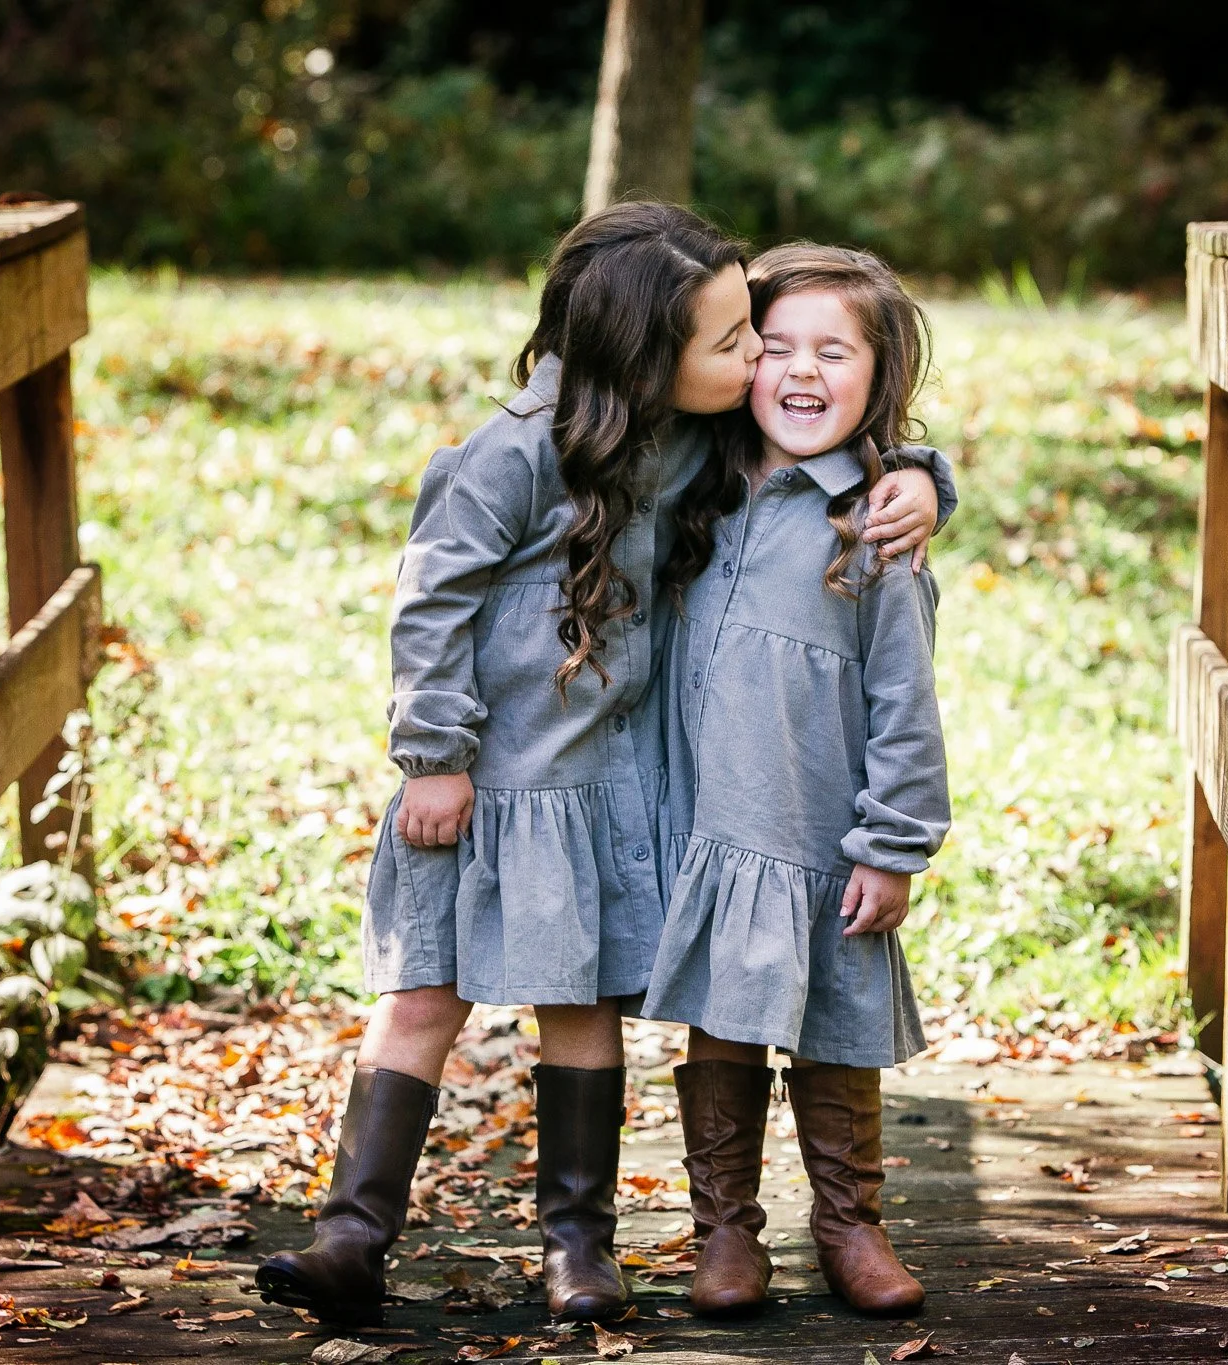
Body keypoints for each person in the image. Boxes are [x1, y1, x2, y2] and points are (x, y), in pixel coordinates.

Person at [256, 205, 949, 1326]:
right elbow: (427, 601)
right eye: (739, 342)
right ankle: (350, 1236)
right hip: (474, 785)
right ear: (647, 354)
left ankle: (577, 1248)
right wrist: (432, 756)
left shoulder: (697, 444)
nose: (757, 362)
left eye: (753, 337)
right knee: (422, 993)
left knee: (579, 1001)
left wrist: (920, 474)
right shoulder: (514, 456)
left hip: (591, 796)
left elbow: (826, 451)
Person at [644, 244, 952, 1320]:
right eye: (773, 347)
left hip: (824, 833)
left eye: (834, 351)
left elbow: (905, 705)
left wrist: (893, 843)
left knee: (835, 1029)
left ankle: (848, 1223)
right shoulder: (689, 482)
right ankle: (724, 1230)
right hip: (716, 826)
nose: (800, 371)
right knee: (721, 1025)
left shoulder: (876, 527)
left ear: (880, 375)